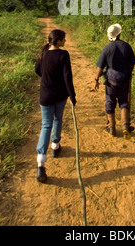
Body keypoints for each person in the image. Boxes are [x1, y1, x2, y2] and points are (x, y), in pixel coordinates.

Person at [35, 29, 76, 183]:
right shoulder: (63, 55)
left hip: (45, 96)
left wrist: (47, 78)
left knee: (46, 124)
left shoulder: (44, 52)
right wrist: (72, 95)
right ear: (58, 40)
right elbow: (67, 77)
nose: (65, 42)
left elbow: (37, 70)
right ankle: (55, 145)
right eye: (64, 39)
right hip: (59, 95)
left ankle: (40, 162)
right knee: (57, 120)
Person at [94, 24, 135, 139]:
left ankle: (111, 128)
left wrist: (96, 79)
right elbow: (132, 64)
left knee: (110, 101)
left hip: (111, 81)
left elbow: (100, 67)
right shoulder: (126, 46)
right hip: (124, 79)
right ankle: (125, 127)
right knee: (124, 102)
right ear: (119, 34)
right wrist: (127, 73)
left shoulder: (107, 48)